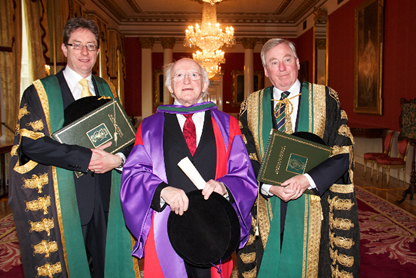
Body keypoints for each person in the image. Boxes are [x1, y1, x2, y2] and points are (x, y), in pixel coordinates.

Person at [8, 17, 137, 278]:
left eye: (91, 46)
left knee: (104, 266)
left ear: (99, 51)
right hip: (64, 198)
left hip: (106, 198)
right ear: (64, 49)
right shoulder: (40, 92)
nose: (85, 52)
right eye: (77, 45)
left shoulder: (107, 88)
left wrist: (118, 159)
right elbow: (31, 144)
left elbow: (126, 136)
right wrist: (85, 158)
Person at [120, 58, 258, 278]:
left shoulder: (228, 125)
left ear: (204, 84)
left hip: (214, 226)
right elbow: (134, 175)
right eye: (179, 76)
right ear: (169, 86)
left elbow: (244, 175)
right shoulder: (149, 126)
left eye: (194, 75)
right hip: (167, 224)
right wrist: (161, 190)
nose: (187, 81)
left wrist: (224, 187)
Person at [237, 38, 360, 277]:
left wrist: (306, 180)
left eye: (287, 59)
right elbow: (243, 156)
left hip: (316, 204)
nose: (282, 68)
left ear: (297, 63)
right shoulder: (250, 106)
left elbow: (344, 151)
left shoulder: (326, 99)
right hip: (267, 204)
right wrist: (270, 186)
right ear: (265, 70)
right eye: (274, 62)